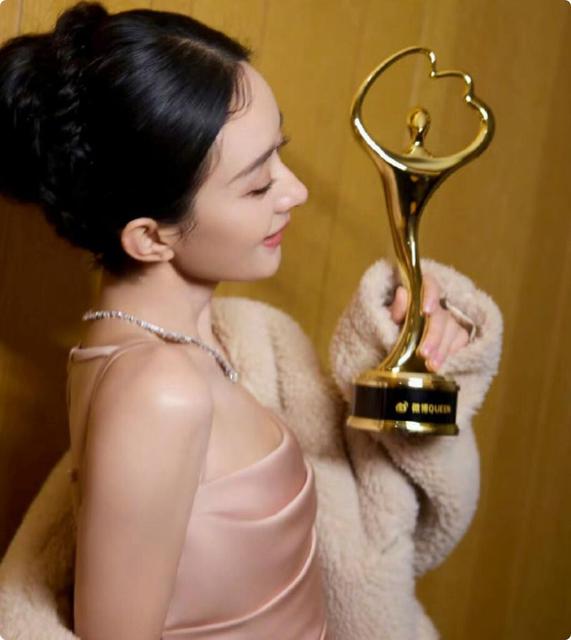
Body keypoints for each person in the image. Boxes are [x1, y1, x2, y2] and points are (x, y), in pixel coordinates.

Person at [0, 3, 503, 639]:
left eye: (279, 156)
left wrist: (414, 345)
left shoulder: (212, 343)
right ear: (151, 237)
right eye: (258, 184)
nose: (295, 192)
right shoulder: (158, 392)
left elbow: (365, 521)